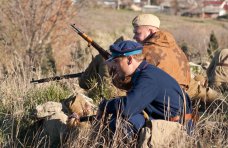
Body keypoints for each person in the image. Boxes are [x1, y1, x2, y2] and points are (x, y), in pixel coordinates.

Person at [97, 40, 193, 136]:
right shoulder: (145, 72)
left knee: (122, 122)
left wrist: (105, 106)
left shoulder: (148, 77)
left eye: (116, 61)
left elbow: (128, 108)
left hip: (178, 129)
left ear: (130, 59)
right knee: (119, 116)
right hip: (167, 123)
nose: (114, 66)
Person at [131, 14, 191, 90]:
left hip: (162, 96)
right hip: (184, 96)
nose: (134, 37)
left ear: (150, 31)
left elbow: (129, 81)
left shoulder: (146, 51)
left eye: (137, 33)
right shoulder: (176, 48)